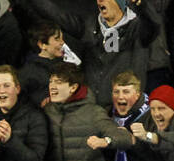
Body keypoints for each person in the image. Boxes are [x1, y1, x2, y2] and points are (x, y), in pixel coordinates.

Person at [25, 0, 163, 107]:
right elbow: (56, 14)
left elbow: (154, 23)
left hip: (123, 109)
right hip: (91, 107)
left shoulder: (137, 30)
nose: (100, 1)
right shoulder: (90, 26)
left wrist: (141, 3)